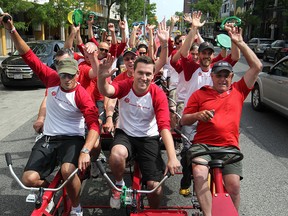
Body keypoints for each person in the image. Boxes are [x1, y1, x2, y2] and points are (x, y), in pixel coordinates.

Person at [0, 13, 100, 216]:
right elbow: (28, 55)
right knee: (28, 179)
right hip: (48, 139)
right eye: (63, 73)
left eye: (71, 74)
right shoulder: (51, 79)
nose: (66, 78)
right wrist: (11, 29)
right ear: (58, 72)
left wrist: (86, 150)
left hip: (72, 139)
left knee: (66, 171)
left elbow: (94, 126)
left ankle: (77, 207)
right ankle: (52, 190)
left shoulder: (82, 95)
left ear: (77, 73)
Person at [181, 25, 262, 216]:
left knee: (233, 185)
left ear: (232, 77)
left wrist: (240, 43)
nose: (223, 79)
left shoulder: (239, 91)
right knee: (200, 174)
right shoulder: (200, 95)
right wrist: (197, 116)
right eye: (219, 75)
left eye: (227, 75)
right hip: (203, 146)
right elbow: (184, 119)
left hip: (229, 147)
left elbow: (257, 67)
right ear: (212, 77)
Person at [97, 54, 181, 209]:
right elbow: (108, 91)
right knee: (116, 155)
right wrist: (101, 78)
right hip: (125, 134)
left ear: (153, 75)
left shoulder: (158, 94)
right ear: (133, 73)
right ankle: (119, 185)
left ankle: (153, 212)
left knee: (154, 187)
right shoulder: (125, 85)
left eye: (148, 74)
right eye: (140, 73)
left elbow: (164, 127)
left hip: (149, 138)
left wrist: (172, 157)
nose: (144, 77)